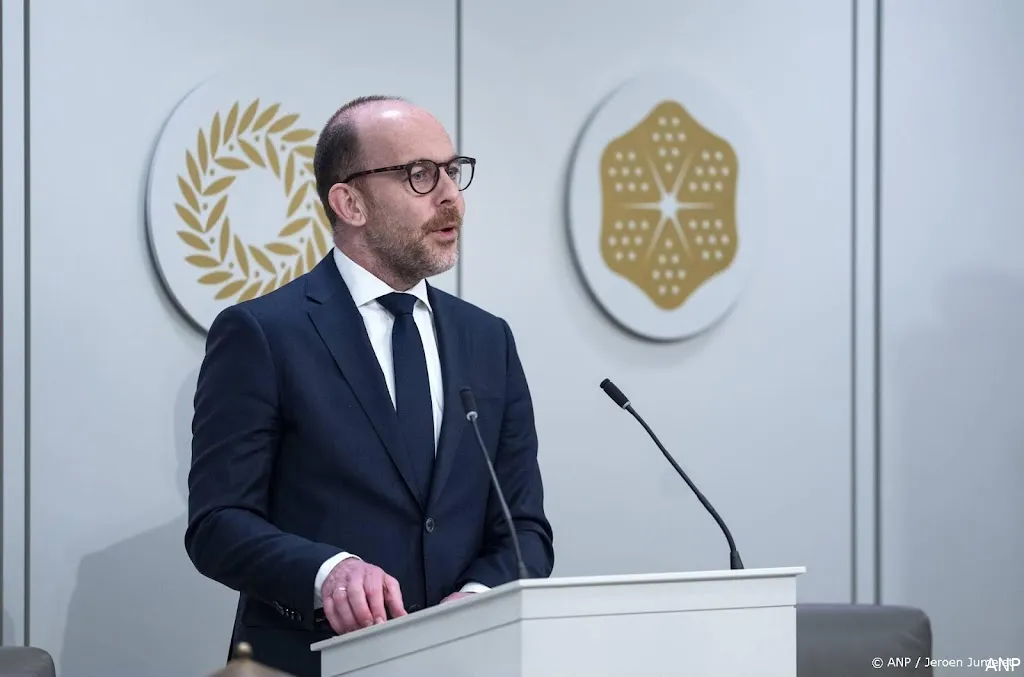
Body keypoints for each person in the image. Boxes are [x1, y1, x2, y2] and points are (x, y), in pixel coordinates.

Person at [184, 94, 554, 677]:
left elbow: (524, 528)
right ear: (349, 202)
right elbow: (218, 524)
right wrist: (327, 572)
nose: (450, 196)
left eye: (452, 171)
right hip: (311, 661)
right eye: (419, 175)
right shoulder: (262, 334)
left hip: (465, 662)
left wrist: (478, 599)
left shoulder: (488, 340)